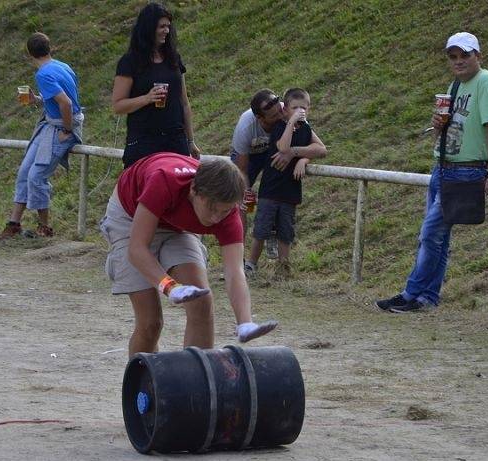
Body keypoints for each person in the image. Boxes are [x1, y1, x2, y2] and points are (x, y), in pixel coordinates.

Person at [99, 152, 278, 357]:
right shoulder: (163, 181)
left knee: (202, 302)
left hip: (178, 222)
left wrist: (245, 322)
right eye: (212, 209)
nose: (216, 218)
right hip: (131, 215)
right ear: (194, 190)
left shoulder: (227, 213)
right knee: (150, 323)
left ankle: (198, 376)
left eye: (224, 211)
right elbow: (137, 249)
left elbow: (235, 271)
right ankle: (141, 378)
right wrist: (170, 286)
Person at [376, 32, 488, 313]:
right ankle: (427, 297)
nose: (458, 61)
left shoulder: (487, 83)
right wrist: (438, 125)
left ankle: (411, 293)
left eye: (465, 55)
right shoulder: (455, 85)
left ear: (478, 56)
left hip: (466, 170)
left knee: (430, 234)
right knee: (438, 238)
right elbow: (445, 132)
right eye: (453, 56)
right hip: (443, 168)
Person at [0, 32, 83, 240]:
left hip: (61, 127)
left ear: (29, 53)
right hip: (50, 125)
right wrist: (36, 99)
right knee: (25, 171)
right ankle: (14, 223)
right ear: (49, 48)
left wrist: (67, 130)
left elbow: (66, 103)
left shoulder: (43, 74)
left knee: (36, 176)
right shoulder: (62, 66)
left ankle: (44, 228)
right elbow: (60, 98)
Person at [245, 88, 328, 277]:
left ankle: (283, 269)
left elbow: (321, 150)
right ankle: (251, 264)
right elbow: (283, 147)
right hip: (270, 190)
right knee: (261, 229)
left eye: (303, 108)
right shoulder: (280, 126)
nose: (300, 111)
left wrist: (303, 159)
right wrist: (290, 122)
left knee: (286, 232)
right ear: (285, 109)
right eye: (295, 108)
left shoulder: (306, 129)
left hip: (290, 191)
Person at [111, 2, 200, 168]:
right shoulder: (130, 61)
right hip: (144, 142)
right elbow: (118, 106)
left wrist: (190, 141)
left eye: (168, 26)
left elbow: (184, 102)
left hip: (175, 140)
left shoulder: (173, 58)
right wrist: (147, 98)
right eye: (161, 26)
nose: (166, 30)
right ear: (148, 28)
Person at [230, 89, 294, 258]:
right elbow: (242, 170)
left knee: (276, 193)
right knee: (241, 202)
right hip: (249, 157)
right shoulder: (245, 127)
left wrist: (294, 154)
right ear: (260, 118)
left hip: (275, 152)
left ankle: (272, 230)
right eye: (274, 116)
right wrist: (246, 192)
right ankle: (238, 254)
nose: (280, 117)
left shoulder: (287, 112)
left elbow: (312, 142)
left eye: (280, 111)